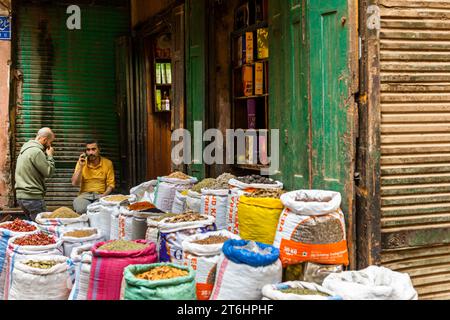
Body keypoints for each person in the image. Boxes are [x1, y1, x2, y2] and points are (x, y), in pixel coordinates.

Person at [15, 127, 56, 221]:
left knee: (33, 227)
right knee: (43, 226)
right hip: (32, 197)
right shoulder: (36, 152)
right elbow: (48, 172)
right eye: (50, 142)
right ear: (44, 139)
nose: (50, 145)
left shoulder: (25, 149)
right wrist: (50, 156)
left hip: (21, 197)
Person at [72, 141, 115, 214]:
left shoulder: (108, 163)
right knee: (81, 209)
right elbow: (74, 183)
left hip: (101, 195)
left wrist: (104, 195)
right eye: (88, 150)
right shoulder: (81, 162)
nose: (91, 152)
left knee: (100, 211)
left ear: (99, 150)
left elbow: (111, 185)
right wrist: (81, 167)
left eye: (93, 149)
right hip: (84, 195)